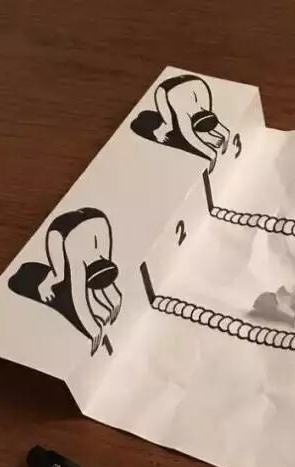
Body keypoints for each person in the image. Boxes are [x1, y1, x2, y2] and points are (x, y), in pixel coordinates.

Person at [36, 208, 122, 355]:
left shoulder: (102, 230)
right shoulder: (77, 258)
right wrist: (93, 329)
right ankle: (43, 286)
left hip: (94, 218)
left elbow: (110, 288)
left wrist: (116, 301)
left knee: (103, 292)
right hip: (61, 230)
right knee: (60, 276)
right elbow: (79, 296)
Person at [130, 74, 230, 172]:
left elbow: (225, 132)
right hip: (165, 90)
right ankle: (159, 132)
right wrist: (211, 154)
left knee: (191, 126)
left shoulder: (203, 100)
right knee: (169, 125)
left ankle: (206, 136)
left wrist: (221, 145)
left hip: (192, 81)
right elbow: (190, 137)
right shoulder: (183, 114)